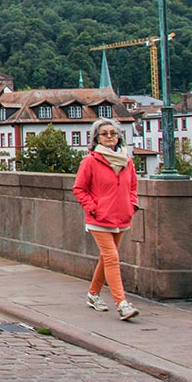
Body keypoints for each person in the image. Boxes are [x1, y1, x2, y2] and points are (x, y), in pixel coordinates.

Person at [72, 119, 140, 321]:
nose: (110, 136)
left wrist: (132, 205)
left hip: (120, 217)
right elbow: (79, 189)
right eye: (105, 133)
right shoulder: (91, 161)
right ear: (97, 138)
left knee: (106, 258)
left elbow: (133, 187)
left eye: (113, 133)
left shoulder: (126, 161)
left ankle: (93, 294)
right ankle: (122, 304)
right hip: (99, 218)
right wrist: (93, 208)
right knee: (111, 257)